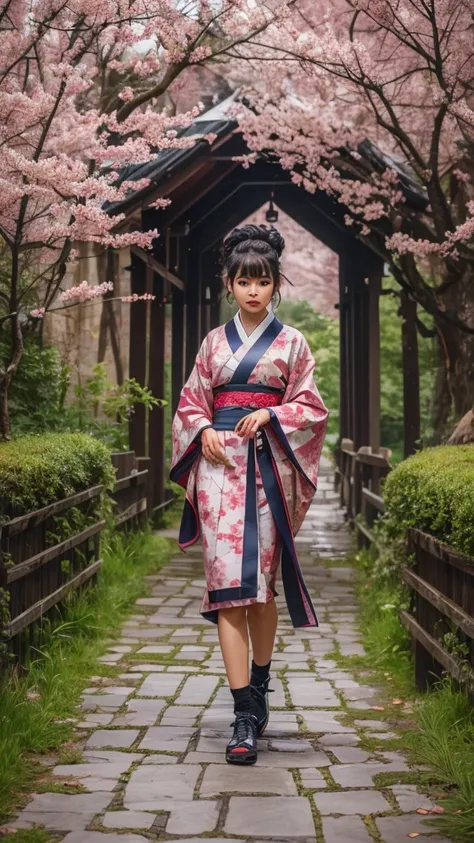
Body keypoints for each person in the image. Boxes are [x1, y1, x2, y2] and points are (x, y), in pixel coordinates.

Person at [170, 224, 328, 765]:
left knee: (259, 590)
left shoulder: (293, 343)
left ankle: (259, 686)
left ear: (275, 284)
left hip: (266, 470)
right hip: (218, 470)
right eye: (243, 281)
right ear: (229, 284)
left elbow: (311, 408)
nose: (253, 291)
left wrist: (273, 412)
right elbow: (190, 403)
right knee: (227, 590)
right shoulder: (213, 343)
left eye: (262, 281)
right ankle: (243, 712)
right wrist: (204, 430)